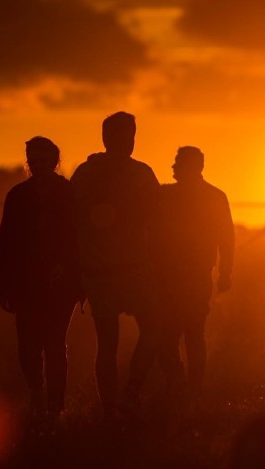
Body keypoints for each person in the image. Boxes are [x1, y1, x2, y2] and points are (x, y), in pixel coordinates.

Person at [70, 112, 161, 418]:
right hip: (130, 269)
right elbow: (159, 223)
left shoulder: (85, 173)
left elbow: (72, 223)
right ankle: (127, 396)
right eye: (127, 135)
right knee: (148, 330)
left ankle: (113, 406)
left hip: (104, 271)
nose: (130, 141)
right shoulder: (141, 174)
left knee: (108, 342)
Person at [0, 137, 81, 423]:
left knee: (55, 343)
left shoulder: (69, 193)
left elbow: (78, 237)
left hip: (60, 283)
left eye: (44, 160)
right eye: (34, 160)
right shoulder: (17, 195)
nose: (38, 165)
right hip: (25, 281)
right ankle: (36, 392)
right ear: (28, 162)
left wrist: (68, 267)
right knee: (28, 345)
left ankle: (55, 406)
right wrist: (3, 283)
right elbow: (6, 241)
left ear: (55, 161)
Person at [154, 146, 234, 393]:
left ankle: (182, 384)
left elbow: (226, 238)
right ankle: (187, 385)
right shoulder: (213, 196)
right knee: (188, 332)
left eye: (178, 162)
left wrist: (226, 272)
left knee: (177, 332)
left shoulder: (166, 196)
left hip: (180, 277)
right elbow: (227, 238)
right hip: (179, 276)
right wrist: (225, 273)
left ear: (194, 166)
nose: (173, 167)